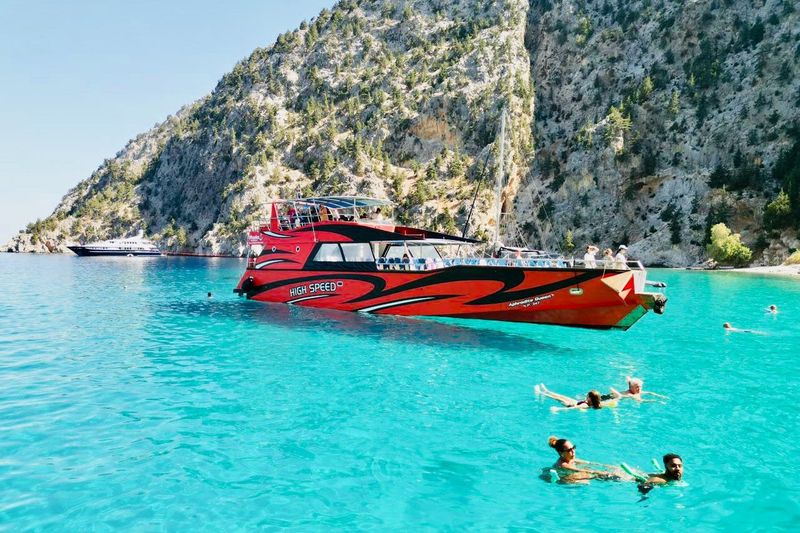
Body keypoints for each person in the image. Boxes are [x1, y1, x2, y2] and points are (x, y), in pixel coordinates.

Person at [548, 437, 620, 483]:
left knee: (588, 468)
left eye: (574, 447)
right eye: (569, 450)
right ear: (561, 453)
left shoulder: (570, 458)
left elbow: (590, 463)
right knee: (588, 476)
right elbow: (583, 471)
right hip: (565, 480)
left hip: (572, 473)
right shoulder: (563, 465)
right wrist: (602, 473)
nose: (573, 451)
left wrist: (610, 467)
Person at [536, 384, 620, 412]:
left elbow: (573, 408)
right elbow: (617, 397)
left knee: (558, 398)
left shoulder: (585, 405)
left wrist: (558, 409)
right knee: (560, 396)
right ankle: (547, 390)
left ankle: (541, 393)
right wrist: (616, 395)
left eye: (588, 395)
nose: (586, 396)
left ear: (590, 398)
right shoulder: (599, 403)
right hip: (575, 401)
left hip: (570, 405)